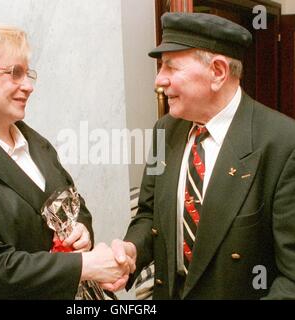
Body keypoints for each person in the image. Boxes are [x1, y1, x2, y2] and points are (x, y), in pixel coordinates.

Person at [0, 23, 131, 299]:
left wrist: (81, 229)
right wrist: (85, 265)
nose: (29, 86)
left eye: (28, 73)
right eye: (15, 73)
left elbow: (72, 203)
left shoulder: (34, 142)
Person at [107, 12, 295, 299]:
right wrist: (132, 249)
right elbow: (148, 214)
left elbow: (290, 278)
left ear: (218, 72)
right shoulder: (165, 130)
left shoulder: (283, 143)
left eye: (171, 67)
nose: (159, 80)